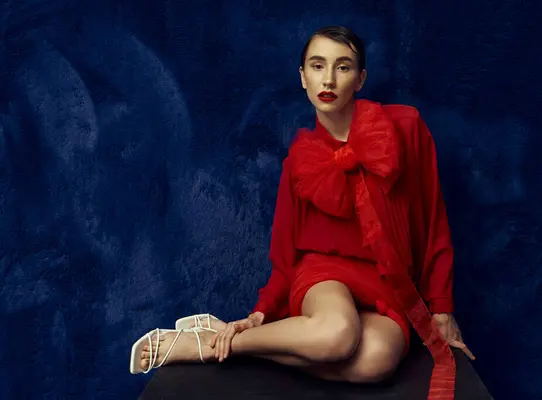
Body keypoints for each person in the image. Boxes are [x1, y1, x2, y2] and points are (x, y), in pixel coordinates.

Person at [130, 25, 474, 399]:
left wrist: (441, 309)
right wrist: (262, 312)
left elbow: (433, 219)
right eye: (317, 65)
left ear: (361, 79)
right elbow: (285, 257)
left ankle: (224, 340)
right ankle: (209, 348)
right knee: (337, 334)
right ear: (303, 78)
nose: (328, 78)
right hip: (324, 274)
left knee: (377, 360)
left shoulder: (405, 127)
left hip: (386, 282)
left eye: (343, 67)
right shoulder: (300, 162)